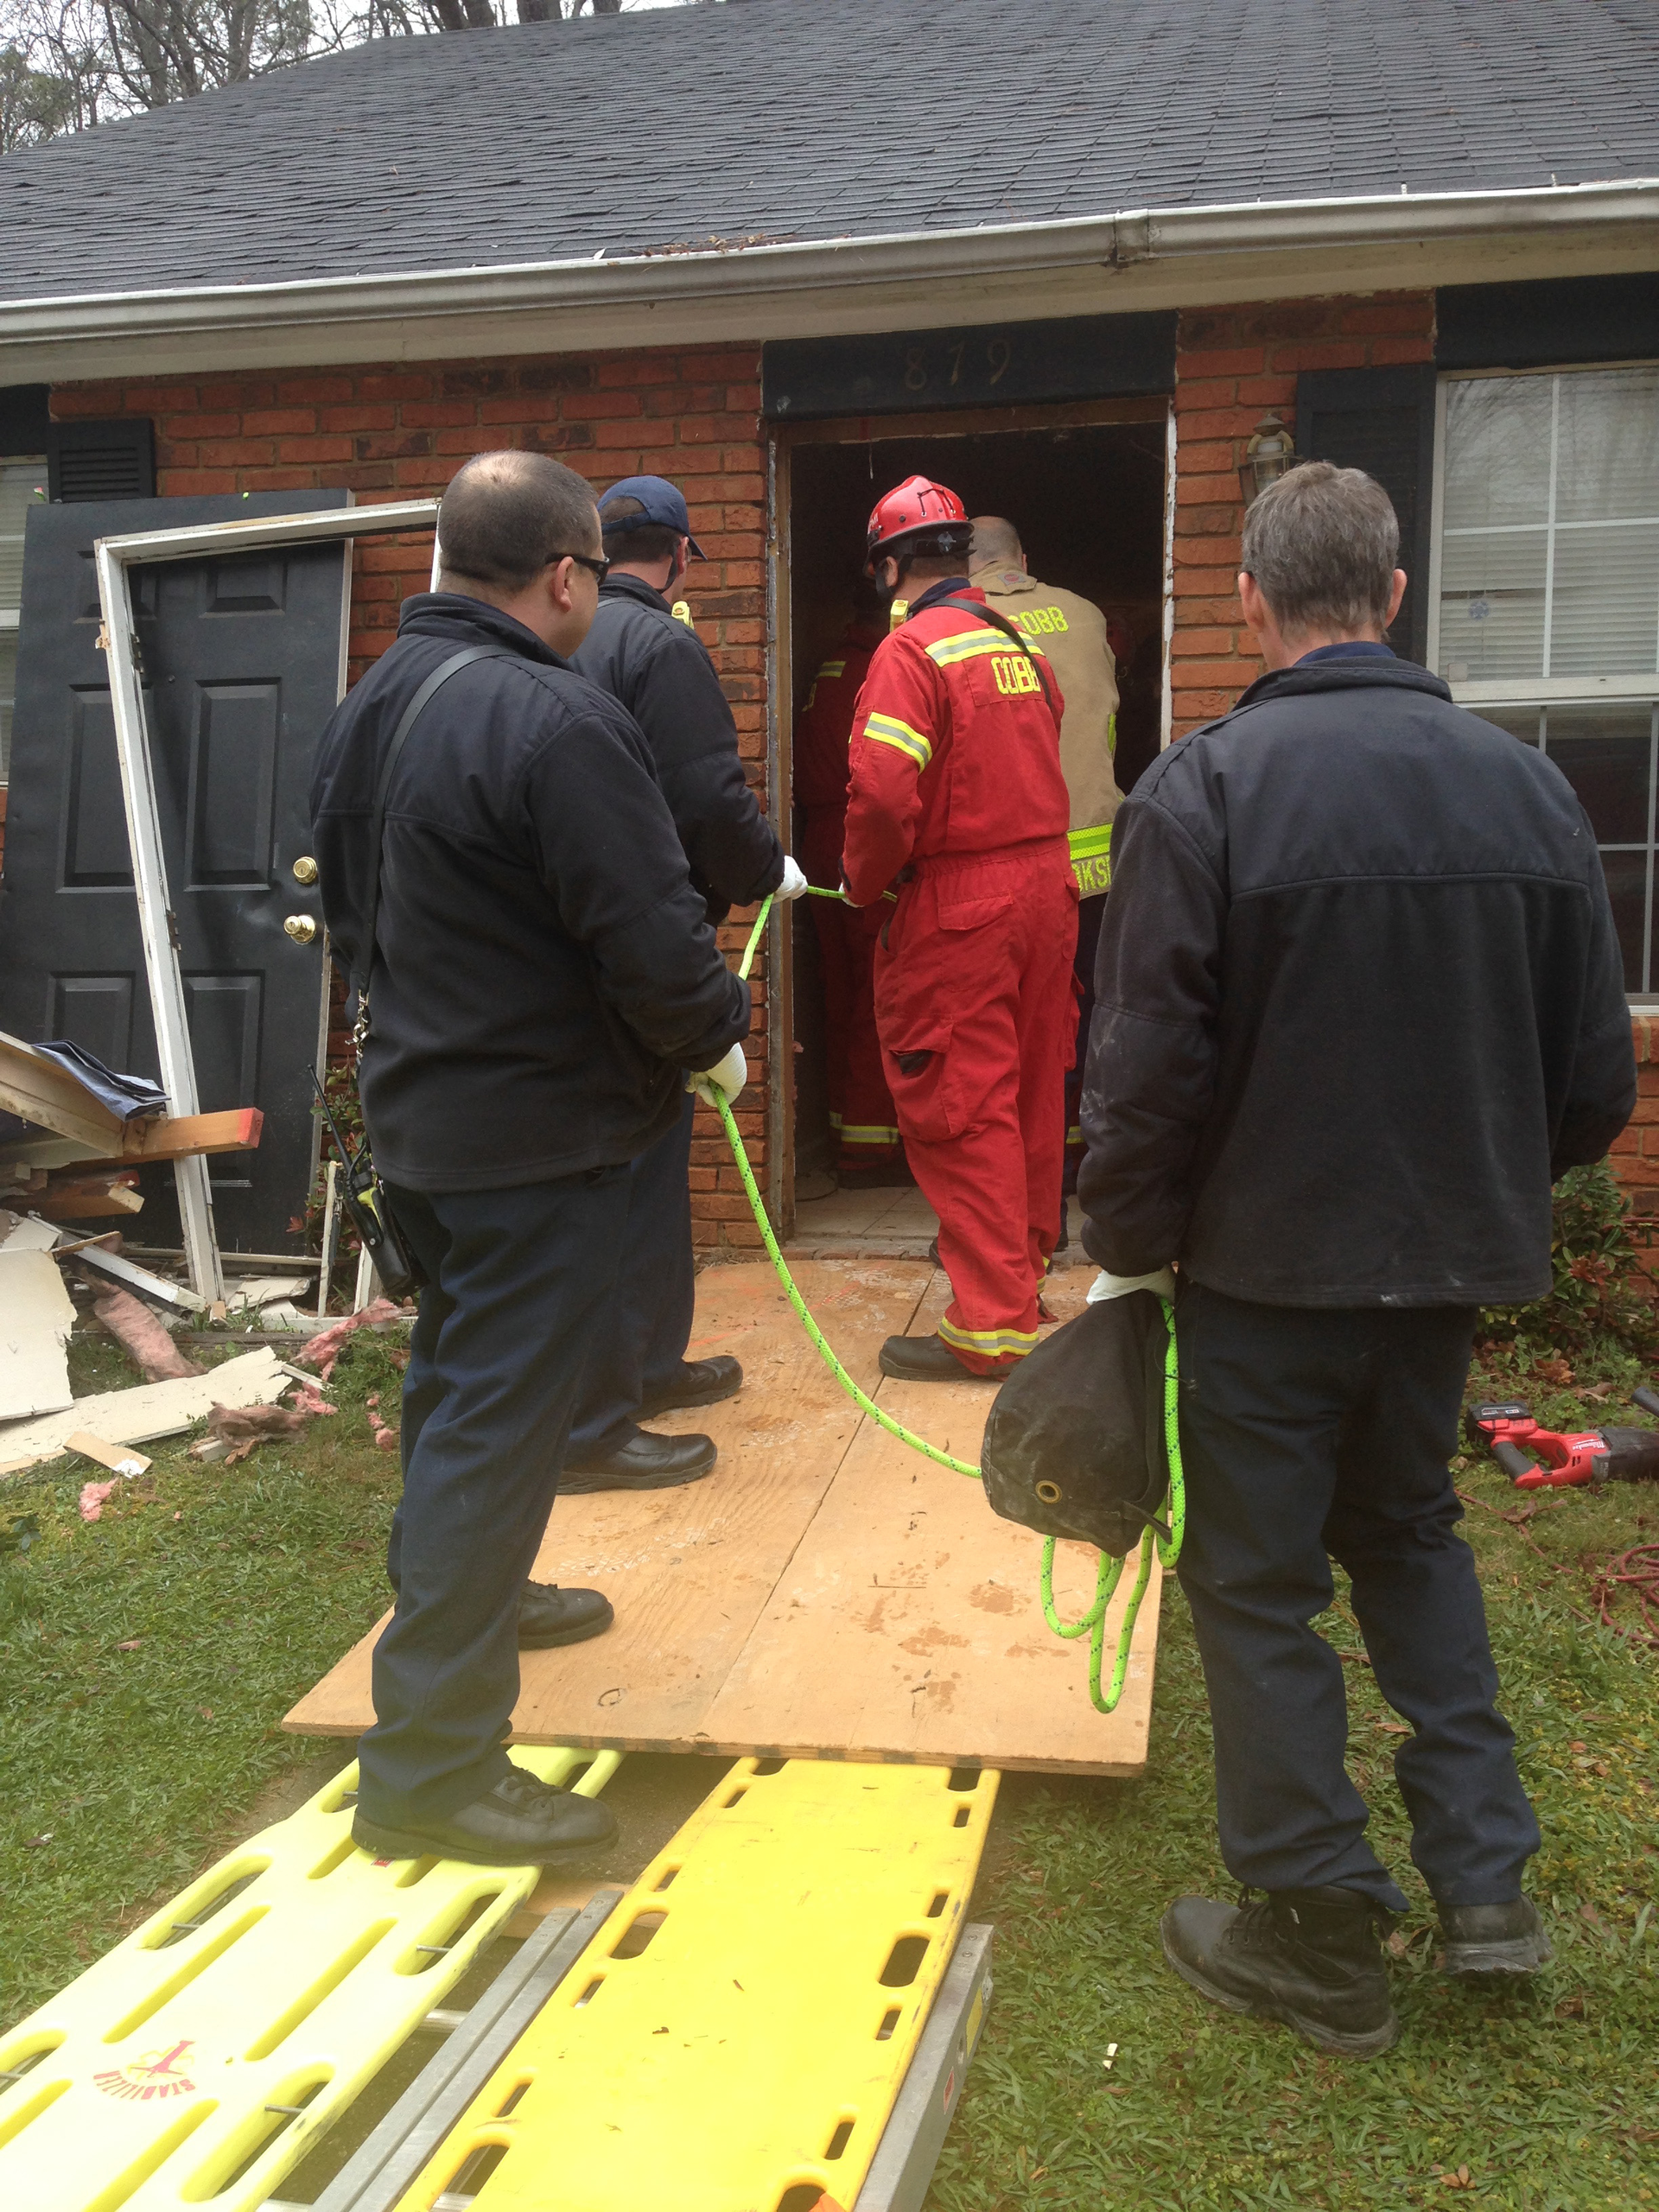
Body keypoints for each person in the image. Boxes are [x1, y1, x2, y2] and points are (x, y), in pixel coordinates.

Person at [1076, 461, 1636, 2056]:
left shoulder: (1205, 789)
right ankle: (1486, 1893)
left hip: (1264, 1284)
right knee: (1408, 1538)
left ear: (1251, 604)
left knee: (1256, 1585)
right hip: (1440, 1278)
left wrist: (1127, 1251)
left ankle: (1316, 1929)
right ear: (1393, 594)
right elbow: (1594, 1080)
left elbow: (1143, 1073)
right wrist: (1470, 1191)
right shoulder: (1528, 792)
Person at [309, 451, 753, 1866]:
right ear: (567, 575)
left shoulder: (369, 705)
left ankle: (481, 1611)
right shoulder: (558, 721)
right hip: (535, 1146)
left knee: (457, 1399)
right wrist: (718, 1034)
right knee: (498, 1436)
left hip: (424, 1127)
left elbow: (355, 914)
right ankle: (433, 1769)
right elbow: (653, 934)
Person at [561, 475, 804, 1491]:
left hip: (588, 948)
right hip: (651, 947)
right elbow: (708, 792)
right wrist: (765, 869)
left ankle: (650, 1367)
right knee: (625, 1178)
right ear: (682, 554)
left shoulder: (565, 639)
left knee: (650, 1166)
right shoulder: (661, 645)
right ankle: (603, 1416)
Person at [842, 474, 1077, 1382]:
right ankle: (1020, 1277)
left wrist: (863, 885)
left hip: (961, 902)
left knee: (962, 1103)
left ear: (891, 566)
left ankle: (992, 1323)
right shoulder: (1019, 643)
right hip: (1043, 893)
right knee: (1026, 1094)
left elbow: (883, 796)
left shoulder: (911, 652)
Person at [969, 517, 1123, 1220]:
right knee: (1087, 1026)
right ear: (1023, 561)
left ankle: (1023, 1204)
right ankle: (1083, 1177)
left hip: (1009, 869)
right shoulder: (1087, 613)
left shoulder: (957, 623)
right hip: (1097, 866)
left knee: (1005, 1037)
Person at [793, 580, 904, 1184]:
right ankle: (869, 1149)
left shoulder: (832, 664)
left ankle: (845, 1131)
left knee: (842, 996)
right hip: (853, 838)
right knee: (875, 997)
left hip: (818, 840)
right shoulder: (876, 669)